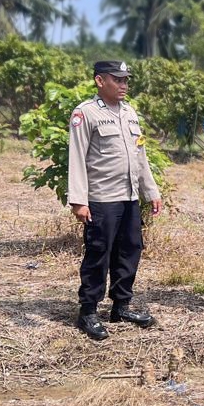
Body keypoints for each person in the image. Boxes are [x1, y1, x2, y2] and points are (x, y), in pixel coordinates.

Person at [67, 60, 162, 341]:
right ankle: (88, 311)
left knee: (129, 250)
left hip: (130, 197)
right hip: (102, 198)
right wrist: (78, 201)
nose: (123, 85)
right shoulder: (86, 114)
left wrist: (151, 191)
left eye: (125, 81)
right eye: (117, 80)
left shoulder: (130, 113)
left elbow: (140, 156)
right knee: (99, 253)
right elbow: (77, 158)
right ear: (100, 81)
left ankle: (121, 306)